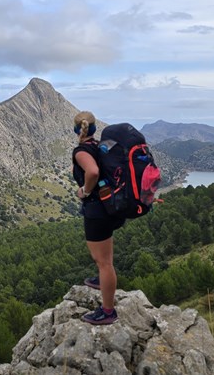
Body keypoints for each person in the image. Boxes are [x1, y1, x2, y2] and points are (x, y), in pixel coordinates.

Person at [71, 111, 125, 325]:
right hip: (111, 207)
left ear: (77, 129)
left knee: (104, 262)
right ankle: (101, 280)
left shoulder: (81, 151)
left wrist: (84, 190)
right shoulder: (101, 146)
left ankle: (108, 311)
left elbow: (92, 172)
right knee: (104, 260)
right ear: (94, 128)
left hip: (97, 211)